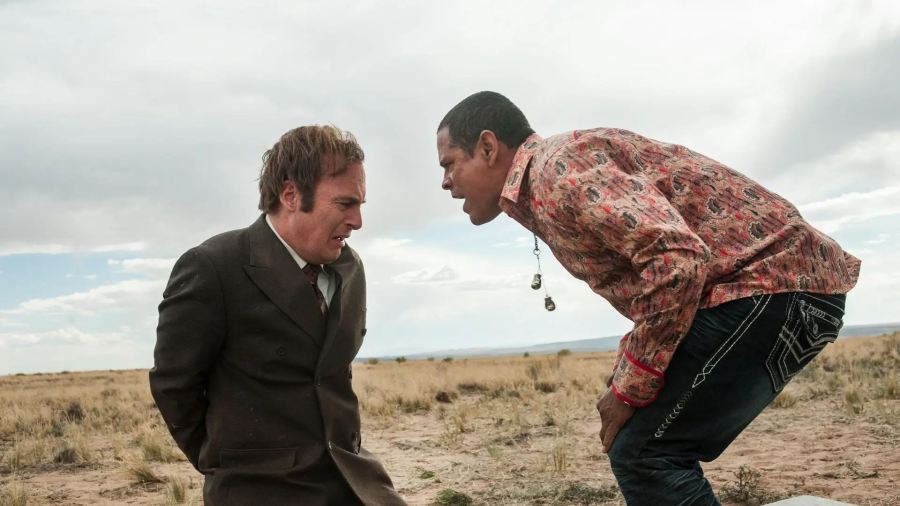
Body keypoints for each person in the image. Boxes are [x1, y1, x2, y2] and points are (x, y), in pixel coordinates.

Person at [435, 91, 860, 505]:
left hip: (766, 287)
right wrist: (632, 366)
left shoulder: (558, 170)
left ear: (488, 147)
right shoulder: (554, 173)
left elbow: (676, 260)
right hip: (788, 292)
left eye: (449, 163)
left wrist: (630, 387)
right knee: (646, 444)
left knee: (643, 452)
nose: (445, 182)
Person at [150, 125, 406, 506]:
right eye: (344, 204)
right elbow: (174, 384)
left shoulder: (349, 268)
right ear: (290, 195)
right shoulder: (214, 267)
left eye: (360, 205)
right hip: (259, 490)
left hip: (355, 482)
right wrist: (225, 462)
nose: (357, 221)